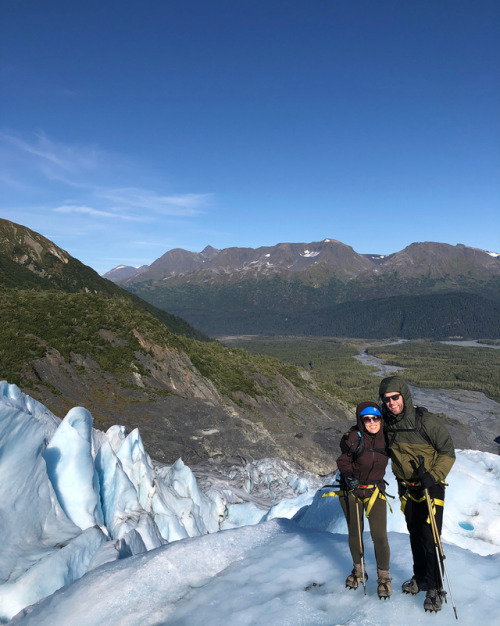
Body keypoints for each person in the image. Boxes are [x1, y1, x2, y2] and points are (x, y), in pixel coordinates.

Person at [379, 375, 455, 613]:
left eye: (395, 397)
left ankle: (435, 587)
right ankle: (421, 577)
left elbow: (448, 452)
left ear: (404, 395)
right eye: (386, 399)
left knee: (431, 538)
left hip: (430, 486)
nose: (391, 403)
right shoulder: (388, 423)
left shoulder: (426, 422)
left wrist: (432, 476)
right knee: (414, 534)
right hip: (408, 488)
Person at [336, 401, 392, 599]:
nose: (372, 422)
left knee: (380, 536)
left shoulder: (387, 438)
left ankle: (383, 578)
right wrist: (348, 474)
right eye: (367, 418)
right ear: (361, 421)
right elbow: (343, 459)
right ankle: (358, 571)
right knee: (355, 533)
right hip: (352, 490)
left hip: (375, 490)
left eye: (376, 417)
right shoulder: (354, 438)